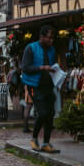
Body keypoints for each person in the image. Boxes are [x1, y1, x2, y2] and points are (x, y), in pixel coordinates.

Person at [21, 25, 59, 153]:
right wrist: (41, 68)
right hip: (34, 85)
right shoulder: (31, 48)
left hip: (48, 85)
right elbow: (25, 67)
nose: (51, 41)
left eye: (52, 38)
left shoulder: (52, 50)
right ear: (42, 37)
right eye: (49, 38)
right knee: (42, 113)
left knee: (50, 114)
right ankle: (34, 138)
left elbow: (53, 66)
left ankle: (46, 143)